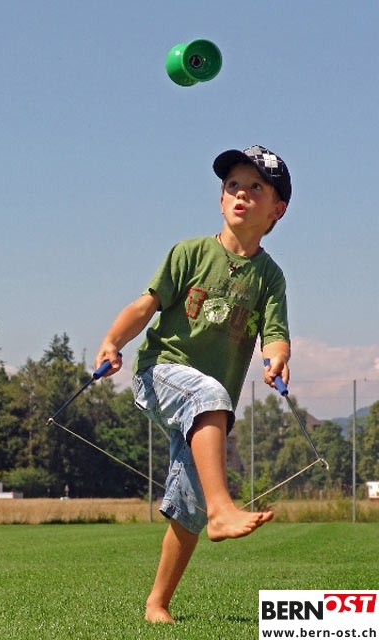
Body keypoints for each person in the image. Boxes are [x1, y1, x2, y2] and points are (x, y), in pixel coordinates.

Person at [94, 145, 292, 624]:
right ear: (221, 199)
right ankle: (224, 509)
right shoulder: (189, 253)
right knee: (209, 393)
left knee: (189, 502)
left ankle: (157, 603)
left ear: (277, 210)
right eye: (232, 185)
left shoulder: (269, 277)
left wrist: (277, 360)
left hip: (207, 412)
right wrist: (112, 341)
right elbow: (145, 305)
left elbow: (276, 335)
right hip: (159, 372)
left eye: (256, 188)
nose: (241, 194)